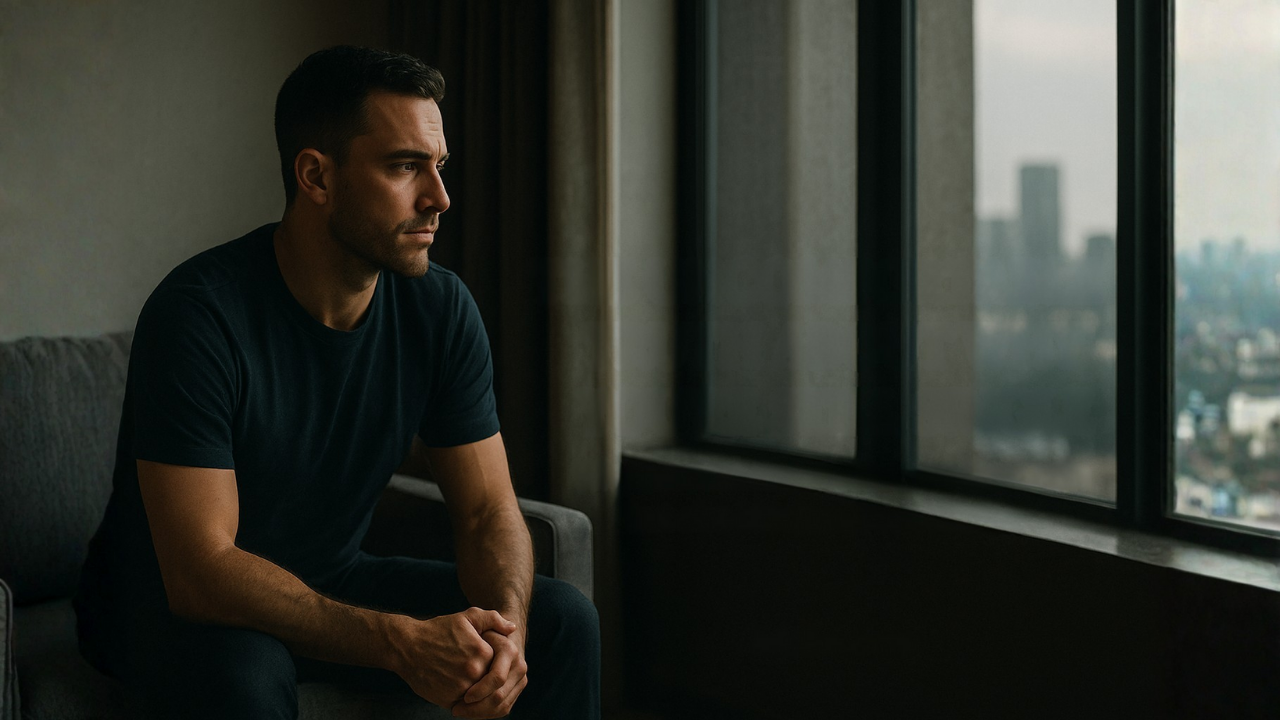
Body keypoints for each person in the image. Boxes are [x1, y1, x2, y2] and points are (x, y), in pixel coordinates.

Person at [72, 45, 600, 719]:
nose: (440, 198)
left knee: (562, 620)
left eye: (438, 167)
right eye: (405, 167)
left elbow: (485, 511)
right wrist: (397, 642)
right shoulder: (198, 314)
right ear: (317, 177)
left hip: (331, 579)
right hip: (163, 609)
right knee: (248, 671)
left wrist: (505, 633)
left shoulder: (440, 308)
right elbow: (201, 570)